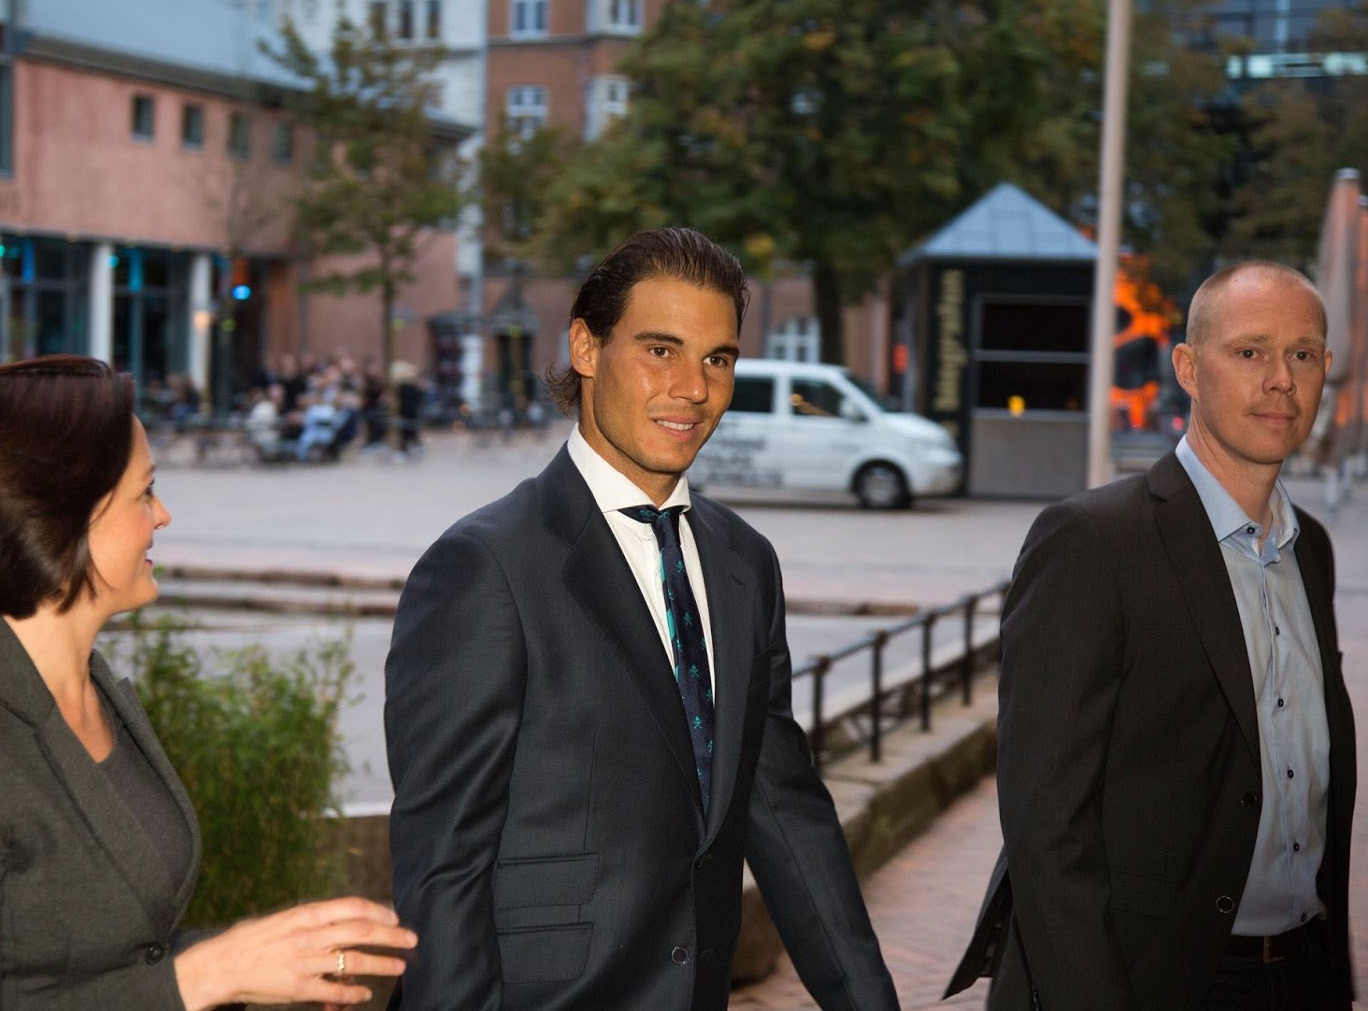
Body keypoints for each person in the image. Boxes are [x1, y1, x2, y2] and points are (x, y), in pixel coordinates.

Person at [383, 227, 900, 1011]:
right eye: (661, 350)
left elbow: (784, 810)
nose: (693, 388)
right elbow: (442, 867)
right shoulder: (484, 567)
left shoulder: (744, 562)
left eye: (718, 359)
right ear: (586, 348)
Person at [0, 356, 416, 1010]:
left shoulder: (97, 691)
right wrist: (202, 977)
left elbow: (125, 954)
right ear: (57, 516)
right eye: (144, 492)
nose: (164, 515)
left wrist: (270, 958)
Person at [946, 261, 1355, 1010]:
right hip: (1147, 980)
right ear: (1189, 369)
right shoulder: (1093, 541)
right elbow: (1046, 822)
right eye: (1250, 351)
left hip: (1301, 973)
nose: (1281, 380)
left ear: (1326, 368)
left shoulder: (1314, 551)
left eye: (1302, 354)